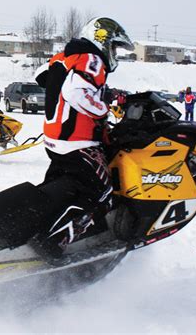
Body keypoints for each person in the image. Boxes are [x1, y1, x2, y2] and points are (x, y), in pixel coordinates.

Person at [32, 17, 134, 258]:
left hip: (56, 140)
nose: (114, 54)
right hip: (78, 141)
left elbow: (41, 76)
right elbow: (75, 92)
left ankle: (37, 223)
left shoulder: (65, 56)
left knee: (62, 188)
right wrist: (103, 108)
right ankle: (54, 242)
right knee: (102, 192)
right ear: (104, 39)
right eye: (115, 47)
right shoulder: (92, 59)